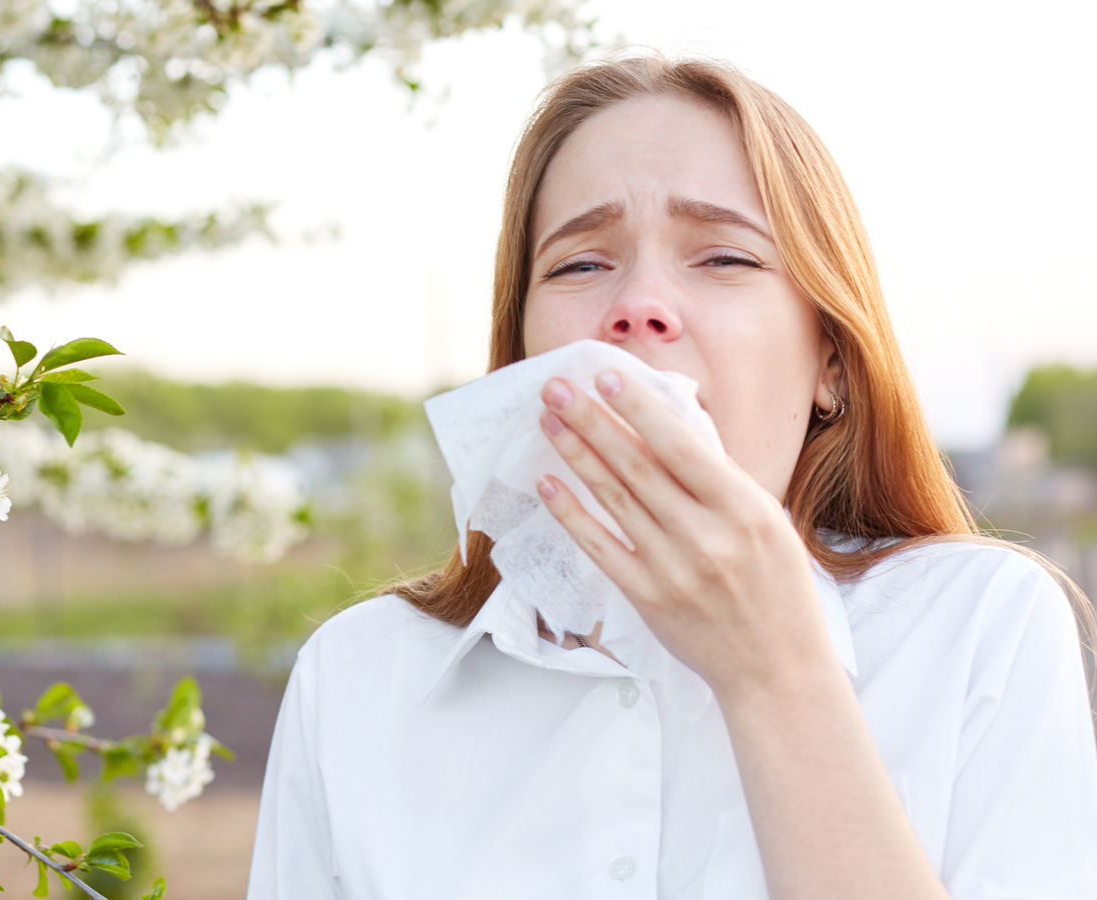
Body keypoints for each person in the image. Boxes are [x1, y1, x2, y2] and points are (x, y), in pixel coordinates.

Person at [245, 50, 1097, 899]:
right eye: (580, 264)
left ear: (830, 362)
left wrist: (775, 677)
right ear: (522, 356)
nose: (638, 303)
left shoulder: (983, 626)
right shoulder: (356, 678)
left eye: (724, 258)